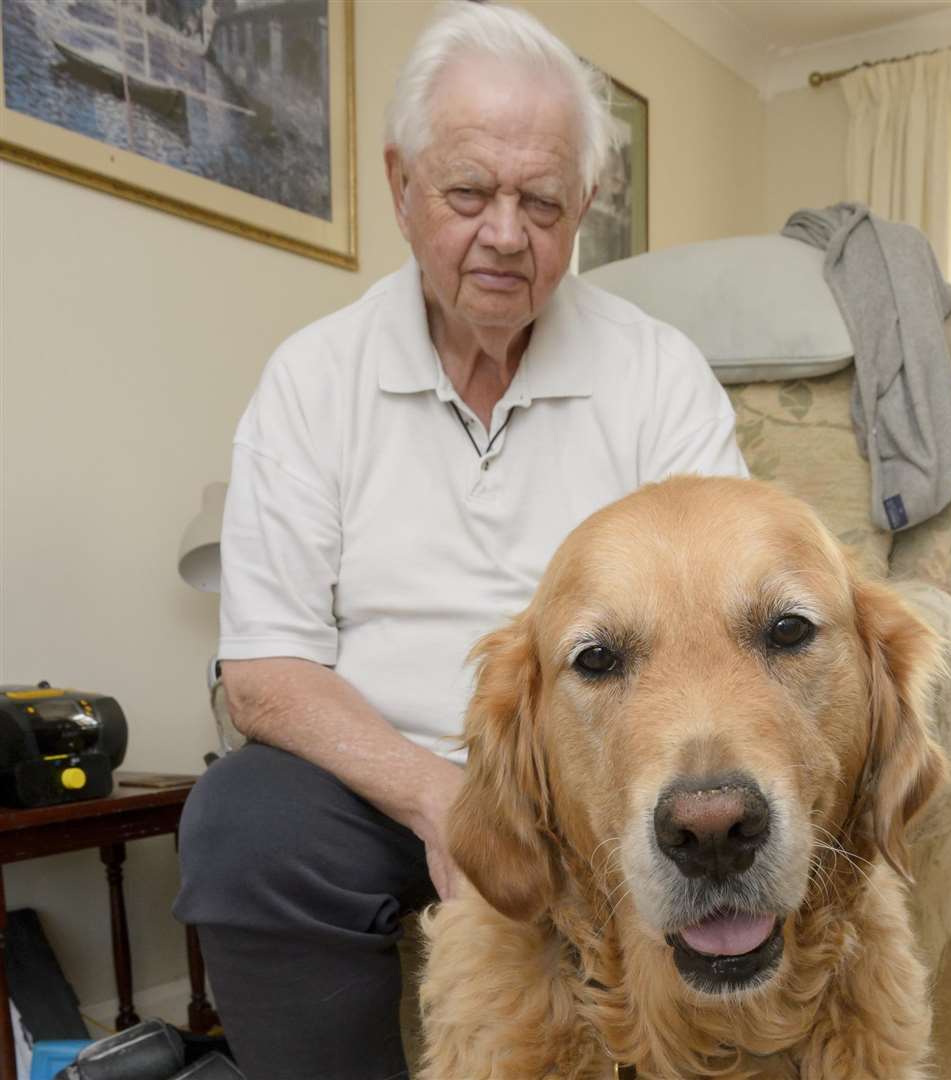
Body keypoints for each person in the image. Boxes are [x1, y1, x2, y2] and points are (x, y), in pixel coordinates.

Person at [173, 3, 748, 1078]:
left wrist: (561, 785)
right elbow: (264, 669)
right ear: (400, 186)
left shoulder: (660, 375)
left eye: (540, 201)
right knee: (239, 825)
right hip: (376, 774)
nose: (504, 234)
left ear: (581, 208)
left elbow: (718, 618)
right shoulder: (312, 379)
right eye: (469, 193)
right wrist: (445, 801)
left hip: (590, 760)